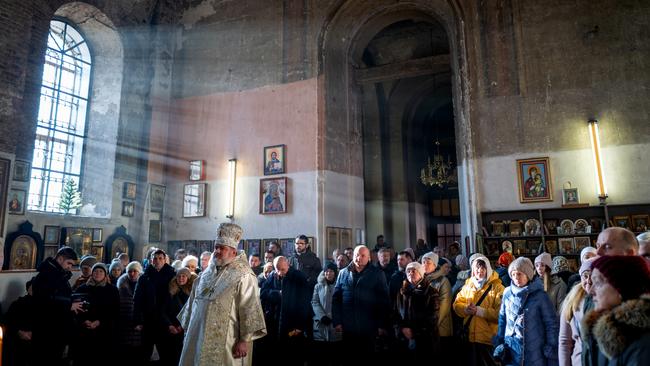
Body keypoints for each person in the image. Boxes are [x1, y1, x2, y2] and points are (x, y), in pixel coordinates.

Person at [177, 223, 266, 365]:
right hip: (198, 336)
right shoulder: (205, 274)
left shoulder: (244, 276)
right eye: (216, 247)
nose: (217, 251)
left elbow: (250, 308)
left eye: (222, 248)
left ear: (233, 252)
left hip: (228, 341)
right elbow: (193, 302)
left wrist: (244, 340)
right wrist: (187, 329)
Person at [581, 255, 650, 365]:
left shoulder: (642, 343)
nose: (591, 291)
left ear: (622, 287)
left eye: (598, 283)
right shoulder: (602, 330)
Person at [493, 257, 559, 366]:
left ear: (528, 275)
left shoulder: (540, 296)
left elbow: (551, 324)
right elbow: (502, 319)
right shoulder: (507, 293)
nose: (516, 278)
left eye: (519, 274)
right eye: (513, 274)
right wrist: (499, 341)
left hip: (535, 352)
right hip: (511, 351)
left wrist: (551, 347)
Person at [332, 245, 389, 365]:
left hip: (369, 325)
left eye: (363, 255)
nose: (359, 258)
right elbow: (336, 299)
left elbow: (384, 302)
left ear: (368, 258)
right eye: (357, 255)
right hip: (348, 325)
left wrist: (381, 324)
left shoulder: (377, 274)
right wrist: (337, 321)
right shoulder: (343, 273)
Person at [31, 246, 84, 365]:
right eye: (69, 263)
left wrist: (73, 299)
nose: (70, 267)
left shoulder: (59, 274)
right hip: (47, 329)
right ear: (60, 259)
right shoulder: (47, 275)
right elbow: (43, 300)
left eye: (72, 264)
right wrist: (69, 305)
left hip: (58, 327)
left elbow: (60, 295)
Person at [453, 254, 505, 366]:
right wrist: (465, 310)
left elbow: (501, 314)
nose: (479, 271)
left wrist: (480, 311)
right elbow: (456, 304)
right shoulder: (467, 286)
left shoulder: (498, 288)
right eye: (477, 268)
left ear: (488, 269)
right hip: (469, 338)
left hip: (488, 339)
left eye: (482, 268)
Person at [260, 256, 311, 366]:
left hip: (293, 324)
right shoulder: (273, 275)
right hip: (275, 322)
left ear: (288, 265)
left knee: (293, 356)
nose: (279, 272)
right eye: (277, 269)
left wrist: (300, 325)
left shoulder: (299, 277)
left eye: (282, 269)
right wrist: (277, 294)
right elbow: (263, 292)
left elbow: (305, 303)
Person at [70, 263, 120, 366]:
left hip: (104, 331)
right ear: (92, 273)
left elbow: (115, 310)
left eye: (101, 271)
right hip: (84, 331)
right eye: (95, 271)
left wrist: (99, 322)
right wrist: (83, 321)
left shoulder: (112, 290)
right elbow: (76, 308)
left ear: (105, 274)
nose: (98, 273)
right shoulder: (82, 288)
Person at [133, 249, 176, 363]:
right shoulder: (144, 277)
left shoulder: (172, 275)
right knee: (146, 351)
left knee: (166, 352)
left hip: (165, 319)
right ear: (151, 260)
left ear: (165, 260)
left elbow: (175, 299)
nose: (157, 261)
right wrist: (138, 320)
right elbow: (138, 299)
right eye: (155, 258)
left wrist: (173, 321)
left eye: (160, 258)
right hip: (148, 319)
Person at [395, 261, 440, 362]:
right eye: (408, 271)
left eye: (414, 271)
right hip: (404, 338)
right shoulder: (402, 291)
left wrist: (414, 332)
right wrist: (402, 328)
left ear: (420, 274)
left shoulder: (431, 292)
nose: (410, 273)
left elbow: (433, 317)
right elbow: (396, 313)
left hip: (425, 340)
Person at [558, 257, 596, 366]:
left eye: (593, 276)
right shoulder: (572, 300)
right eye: (585, 276)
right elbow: (565, 341)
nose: (589, 280)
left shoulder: (608, 300)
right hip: (579, 361)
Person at [164, 267, 197, 366]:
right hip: (171, 328)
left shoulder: (193, 294)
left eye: (184, 276)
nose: (181, 278)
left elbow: (193, 311)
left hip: (186, 329)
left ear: (188, 278)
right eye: (179, 276)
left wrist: (182, 326)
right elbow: (163, 311)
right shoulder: (171, 292)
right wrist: (169, 325)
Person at [311, 263, 342, 366]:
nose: (329, 273)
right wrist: (322, 316)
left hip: (335, 323)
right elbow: (314, 302)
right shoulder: (318, 286)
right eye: (326, 271)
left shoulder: (339, 285)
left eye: (331, 271)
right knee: (321, 356)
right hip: (321, 324)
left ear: (335, 272)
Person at [116, 261, 144, 362]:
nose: (132, 273)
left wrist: (141, 323)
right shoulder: (121, 287)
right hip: (124, 327)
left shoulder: (144, 285)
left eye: (135, 271)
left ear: (139, 272)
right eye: (130, 271)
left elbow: (147, 307)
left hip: (140, 327)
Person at [4, 279, 36, 366]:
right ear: (29, 288)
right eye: (32, 287)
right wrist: (19, 332)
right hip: (18, 341)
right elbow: (8, 321)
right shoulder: (17, 304)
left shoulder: (48, 305)